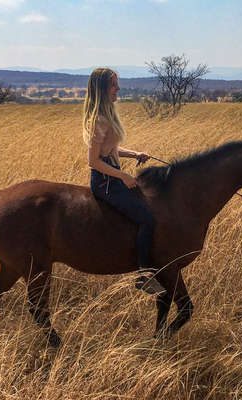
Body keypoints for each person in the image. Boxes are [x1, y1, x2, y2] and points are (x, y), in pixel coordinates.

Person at [82, 68, 165, 294]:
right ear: (102, 89)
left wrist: (135, 154)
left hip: (112, 178)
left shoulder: (107, 115)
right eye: (113, 85)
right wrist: (124, 176)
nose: (118, 88)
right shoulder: (99, 120)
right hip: (104, 183)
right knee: (147, 219)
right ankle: (144, 274)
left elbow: (111, 149)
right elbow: (93, 161)